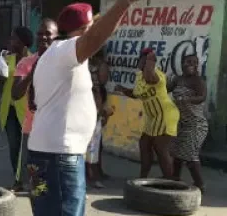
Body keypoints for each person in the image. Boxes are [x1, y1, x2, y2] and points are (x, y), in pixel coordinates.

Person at [27, 0, 157, 216]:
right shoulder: (65, 51)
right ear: (81, 32)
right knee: (60, 211)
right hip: (56, 157)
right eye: (90, 29)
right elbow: (97, 34)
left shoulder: (56, 57)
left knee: (47, 209)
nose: (96, 37)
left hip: (46, 154)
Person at [12, 18, 58, 216]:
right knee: (36, 182)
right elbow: (15, 93)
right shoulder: (26, 63)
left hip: (61, 133)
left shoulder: (64, 62)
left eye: (48, 34)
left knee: (63, 181)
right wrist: (34, 70)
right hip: (34, 131)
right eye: (40, 34)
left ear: (57, 37)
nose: (44, 38)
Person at [115, 48, 180, 179]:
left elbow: (149, 75)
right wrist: (123, 89)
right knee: (144, 144)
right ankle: (142, 178)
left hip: (165, 115)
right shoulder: (139, 76)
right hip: (152, 117)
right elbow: (137, 93)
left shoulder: (156, 76)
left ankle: (170, 181)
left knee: (161, 148)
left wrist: (150, 60)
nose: (143, 63)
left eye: (146, 61)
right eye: (142, 60)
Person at [0, 27, 34, 191]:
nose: (10, 42)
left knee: (24, 147)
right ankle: (17, 178)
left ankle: (27, 180)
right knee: (14, 145)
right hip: (9, 108)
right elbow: (1, 80)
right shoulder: (8, 59)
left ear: (23, 42)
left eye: (14, 39)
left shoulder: (32, 59)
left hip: (27, 109)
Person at [169, 54, 209, 190]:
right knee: (177, 153)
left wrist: (187, 100)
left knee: (190, 155)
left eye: (195, 62)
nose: (192, 64)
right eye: (188, 62)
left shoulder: (198, 81)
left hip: (196, 124)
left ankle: (200, 184)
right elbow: (165, 89)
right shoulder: (178, 79)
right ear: (182, 64)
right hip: (181, 123)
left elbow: (202, 97)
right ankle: (174, 178)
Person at [87, 47, 111, 186]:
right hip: (93, 102)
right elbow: (102, 82)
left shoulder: (88, 63)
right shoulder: (98, 66)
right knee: (93, 143)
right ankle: (92, 174)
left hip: (94, 101)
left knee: (95, 142)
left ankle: (95, 172)